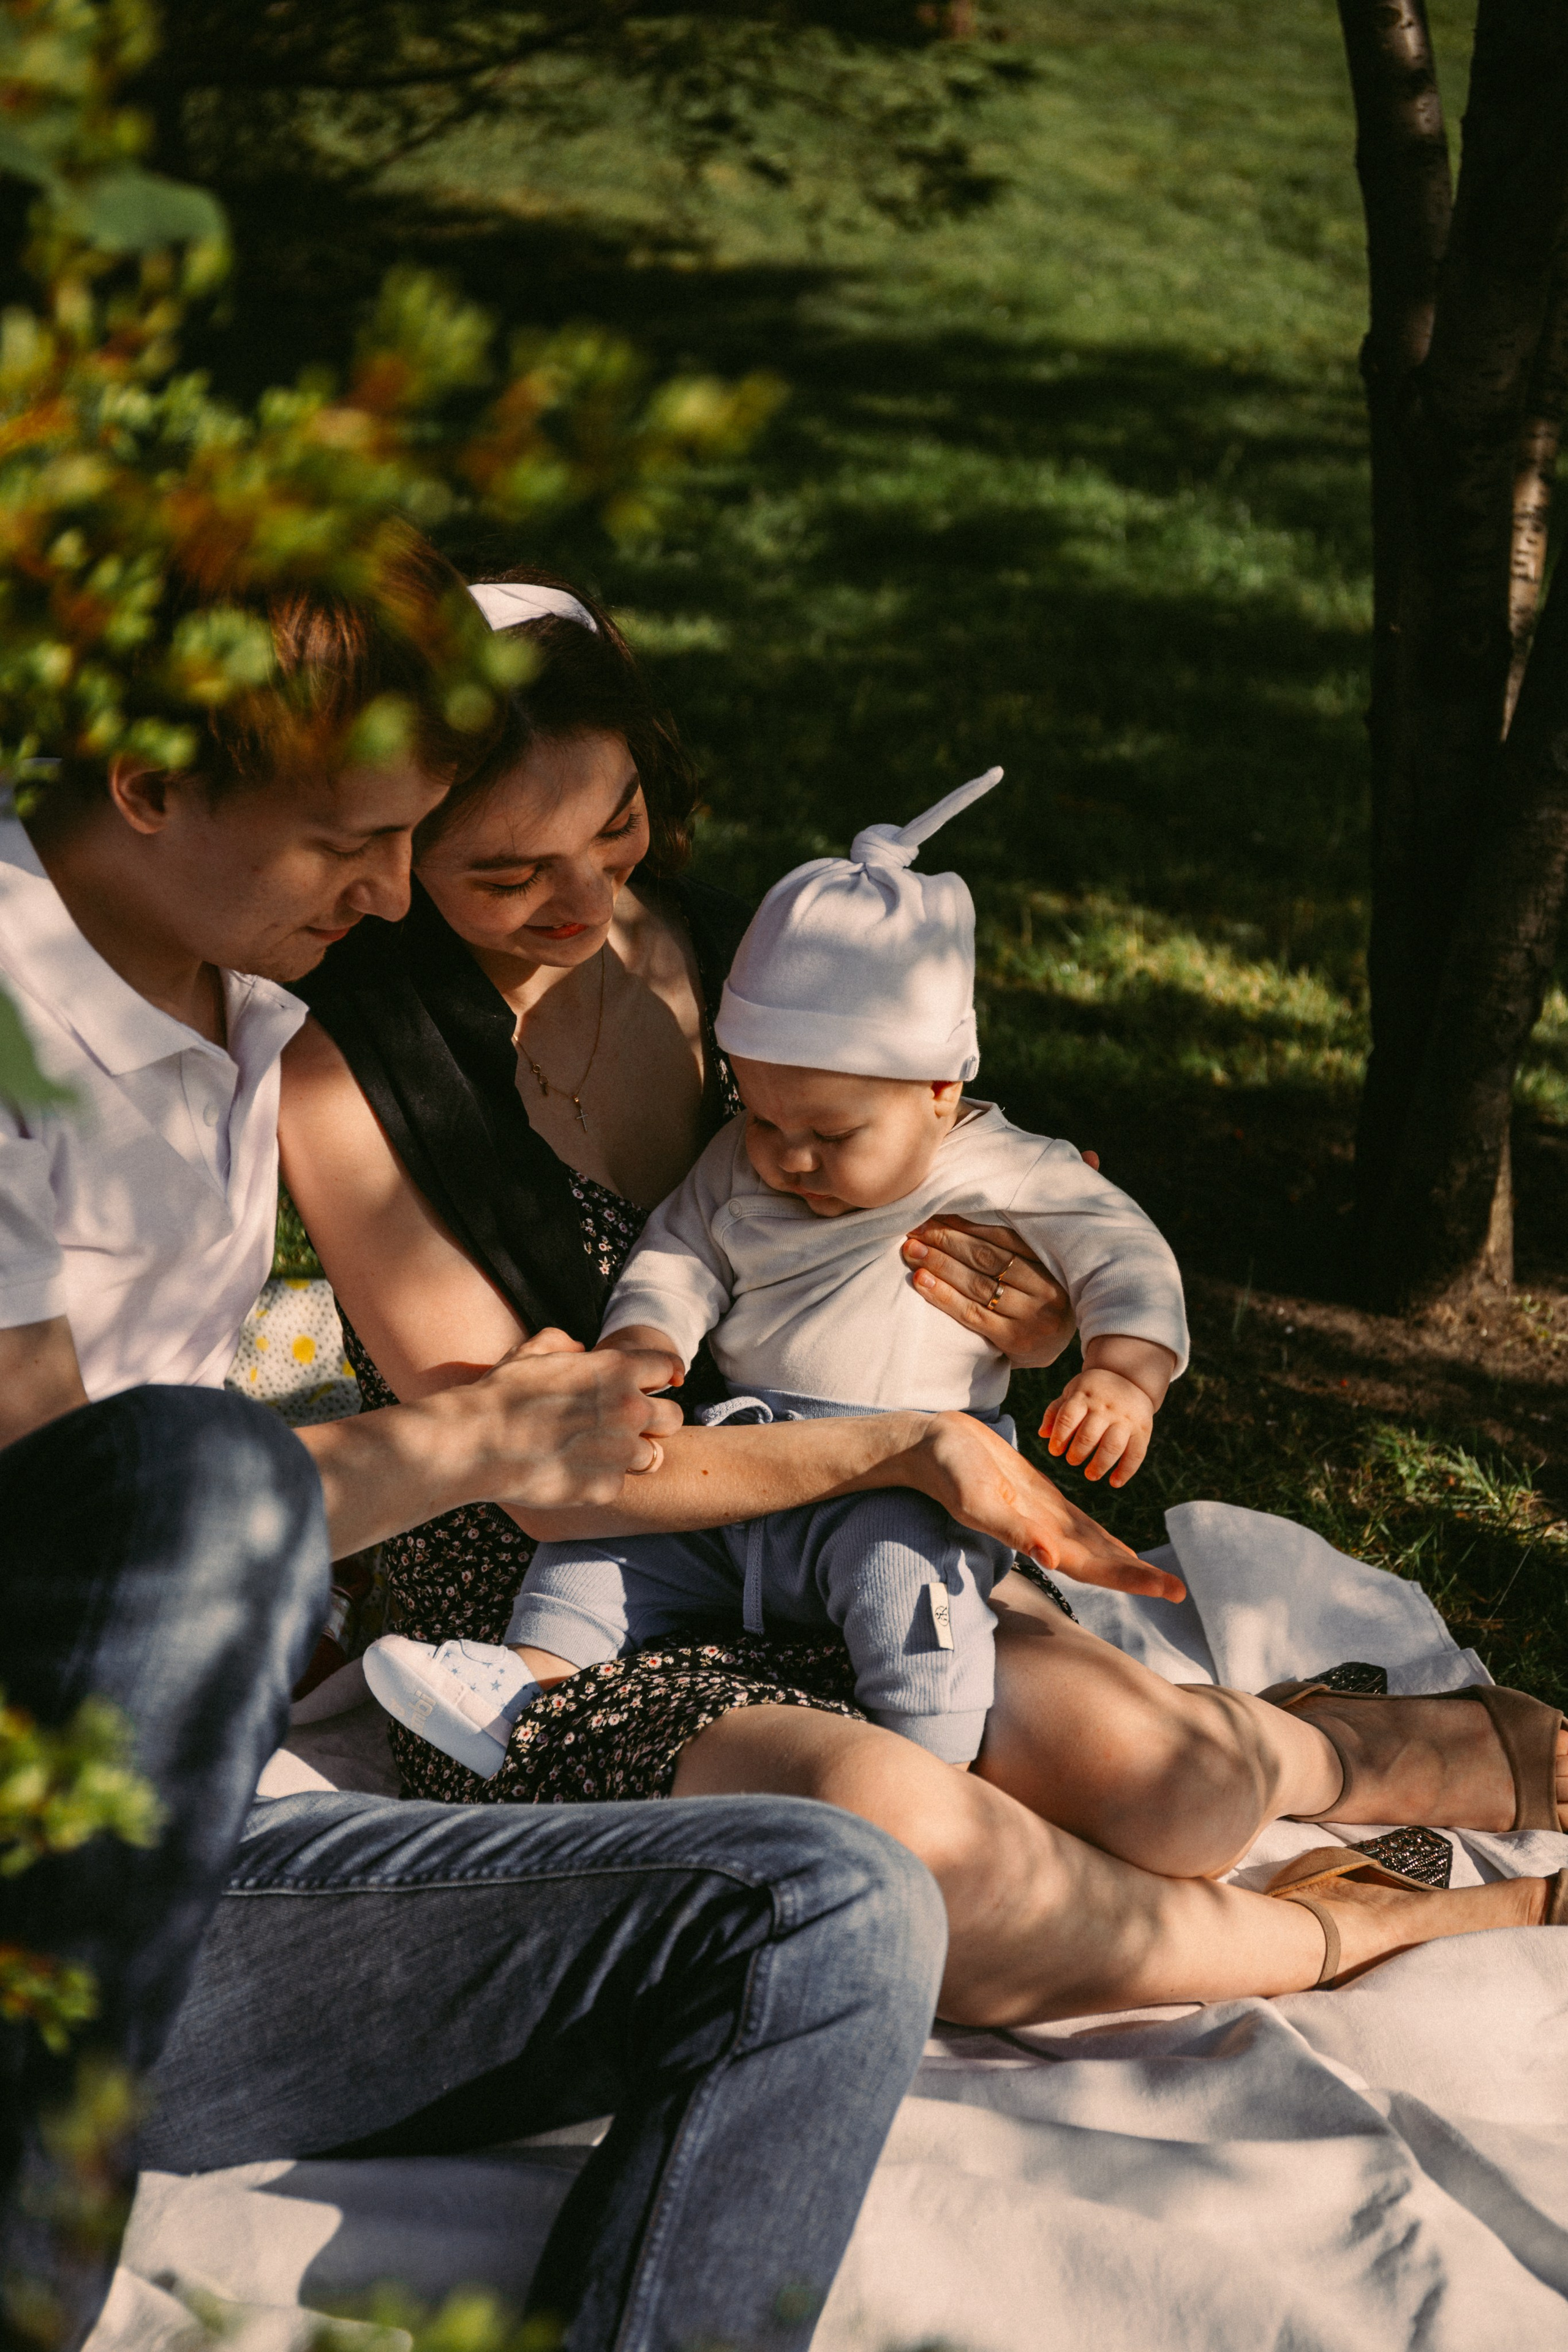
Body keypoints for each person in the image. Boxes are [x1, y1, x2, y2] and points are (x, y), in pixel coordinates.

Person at [283, 560, 1568, 2027]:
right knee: (917, 1870)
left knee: (1167, 1793)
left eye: (616, 825)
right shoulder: (348, 1082)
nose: (588, 896)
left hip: (854, 1528)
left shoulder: (708, 957)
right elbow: (537, 1486)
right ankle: (1354, 1926)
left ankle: (1338, 1751)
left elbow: (917, 1186)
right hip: (572, 1610)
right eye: (506, 875)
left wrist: (1009, 1320)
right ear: (392, 857)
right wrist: (897, 1447)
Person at [0, 538, 953, 2352]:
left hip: (195, 1889)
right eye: (353, 843)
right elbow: (88, 1546)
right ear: (144, 784)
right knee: (190, 1475)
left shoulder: (224, 989)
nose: (387, 896)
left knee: (835, 1907)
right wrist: (470, 1445)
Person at [364, 763, 1188, 1775]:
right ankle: (522, 1687)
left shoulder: (1011, 1171)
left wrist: (1123, 1370)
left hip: (911, 1491)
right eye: (760, 1118)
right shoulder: (742, 1158)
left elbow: (1126, 1255)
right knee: (600, 1558)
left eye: (830, 1132)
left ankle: (930, 1765)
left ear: (939, 1086)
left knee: (916, 1604)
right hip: (739, 1463)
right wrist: (646, 1339)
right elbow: (682, 1247)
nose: (787, 1157)